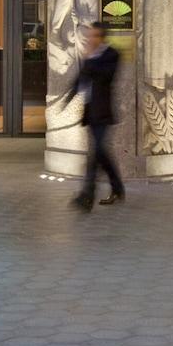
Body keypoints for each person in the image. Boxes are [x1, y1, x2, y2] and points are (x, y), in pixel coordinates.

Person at [69, 22, 124, 211]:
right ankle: (117, 187)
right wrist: (69, 96)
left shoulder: (112, 55)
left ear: (101, 37)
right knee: (101, 154)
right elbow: (82, 79)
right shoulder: (91, 55)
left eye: (93, 36)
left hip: (102, 112)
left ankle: (87, 195)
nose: (89, 39)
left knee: (96, 155)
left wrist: (90, 58)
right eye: (89, 36)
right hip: (90, 111)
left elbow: (104, 76)